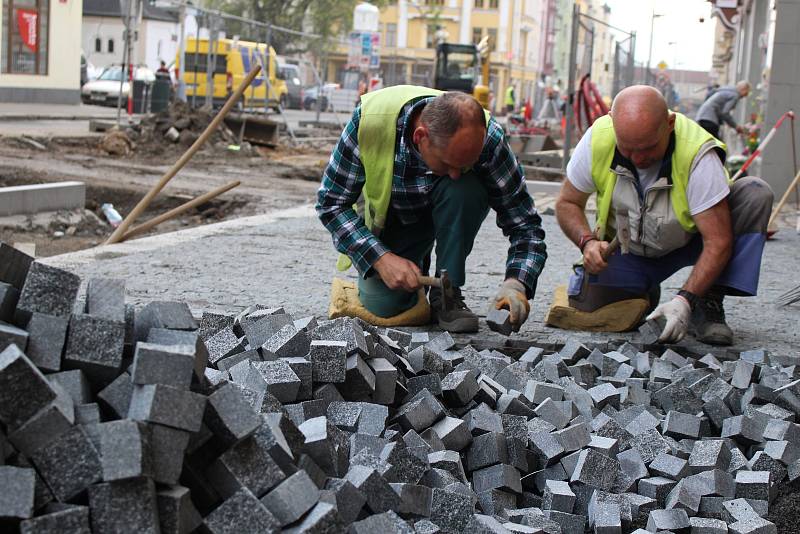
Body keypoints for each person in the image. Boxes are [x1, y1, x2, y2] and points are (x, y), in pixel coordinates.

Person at [316, 86, 547, 333]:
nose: (456, 173)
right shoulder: (369, 122)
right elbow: (331, 203)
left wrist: (517, 283)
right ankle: (410, 261)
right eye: (449, 164)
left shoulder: (489, 139)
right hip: (394, 218)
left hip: (452, 209)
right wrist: (380, 258)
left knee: (464, 188)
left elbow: (525, 224)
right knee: (385, 305)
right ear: (420, 137)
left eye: (464, 165)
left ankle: (446, 293)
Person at [555, 85, 773, 346]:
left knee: (755, 193)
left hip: (692, 242)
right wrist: (587, 241)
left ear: (669, 123)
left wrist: (685, 300)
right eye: (628, 149)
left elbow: (718, 241)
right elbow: (567, 202)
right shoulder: (598, 138)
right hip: (629, 247)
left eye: (647, 148)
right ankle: (643, 288)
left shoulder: (698, 154)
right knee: (591, 305)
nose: (638, 158)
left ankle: (707, 299)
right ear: (613, 123)